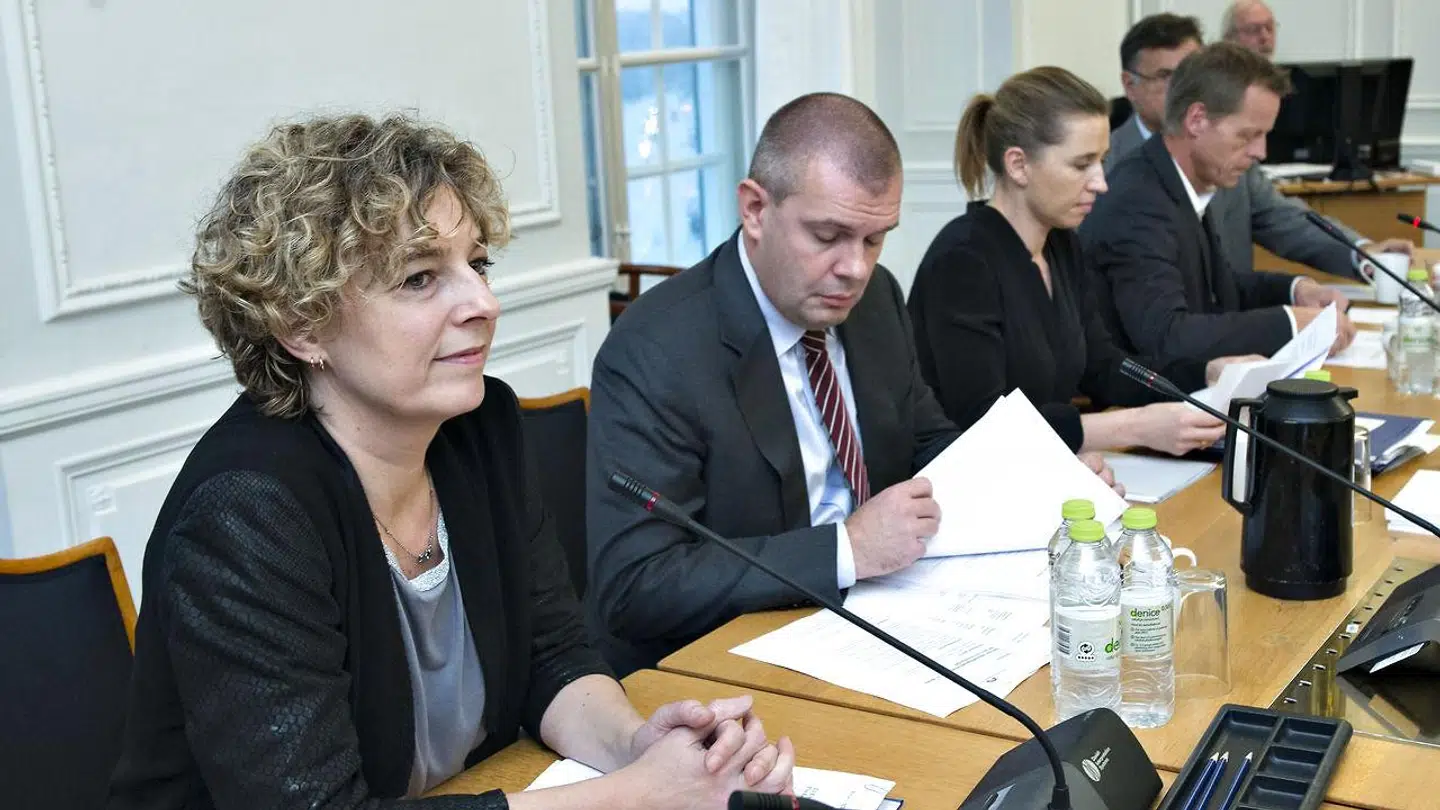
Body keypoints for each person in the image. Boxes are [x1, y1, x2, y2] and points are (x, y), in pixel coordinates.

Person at [107, 114, 795, 809]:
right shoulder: (247, 513)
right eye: (419, 278)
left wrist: (635, 746)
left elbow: (551, 657)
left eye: (478, 263)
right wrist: (635, 796)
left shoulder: (478, 427)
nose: (484, 303)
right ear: (301, 326)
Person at [585, 92, 1121, 675]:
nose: (855, 269)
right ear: (755, 209)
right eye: (827, 236)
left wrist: (1038, 481)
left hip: (880, 621)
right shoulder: (657, 350)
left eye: (874, 238)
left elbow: (927, 445)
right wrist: (847, 549)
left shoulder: (876, 302)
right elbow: (638, 586)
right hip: (725, 660)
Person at [909, 66, 1234, 457]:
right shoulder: (962, 261)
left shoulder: (1060, 245)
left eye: (1101, 161)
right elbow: (985, 423)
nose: (1100, 182)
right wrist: (1133, 426)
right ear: (1018, 165)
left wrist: (1205, 373)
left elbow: (1102, 366)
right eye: (1082, 165)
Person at [1081, 43, 1358, 366]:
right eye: (1248, 135)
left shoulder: (1179, 179)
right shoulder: (1139, 202)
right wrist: (1292, 323)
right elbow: (1168, 335)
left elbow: (1222, 289)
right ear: (1197, 120)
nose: (1260, 152)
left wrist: (1295, 291)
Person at [1108, 14, 1414, 283]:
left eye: (1191, 71)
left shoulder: (1236, 155)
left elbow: (1286, 220)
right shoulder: (1105, 167)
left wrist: (1362, 252)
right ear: (1130, 84)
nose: (1183, 87)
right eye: (1165, 76)